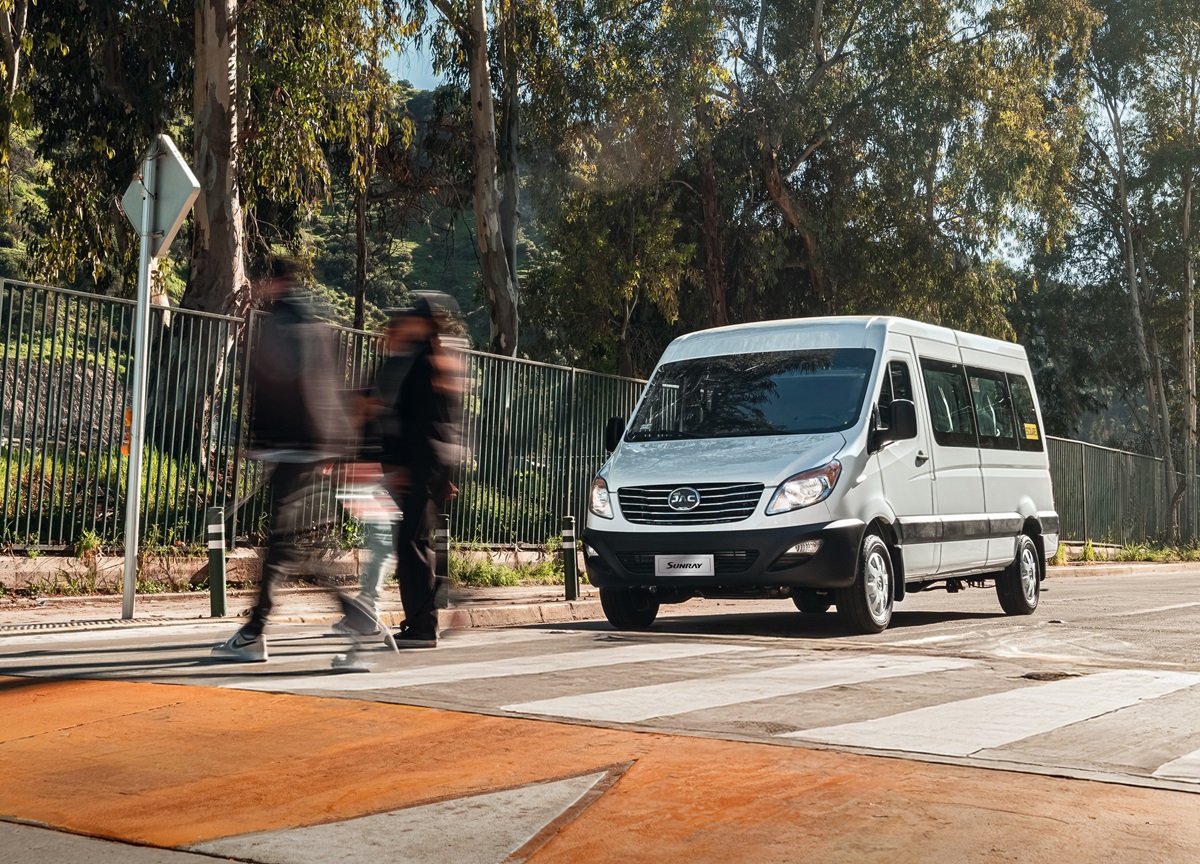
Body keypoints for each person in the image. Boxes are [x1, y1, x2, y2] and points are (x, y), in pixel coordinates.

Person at [212, 257, 382, 662]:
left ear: (272, 283)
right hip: (317, 448)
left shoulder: (277, 327)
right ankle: (260, 628)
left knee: (283, 544)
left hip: (291, 447)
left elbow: (270, 387)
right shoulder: (317, 328)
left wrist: (261, 441)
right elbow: (334, 389)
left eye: (261, 281)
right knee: (285, 544)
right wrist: (335, 447)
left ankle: (264, 630)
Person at [382, 294, 464, 648]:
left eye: (412, 318)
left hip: (421, 464)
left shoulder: (426, 361)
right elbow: (448, 423)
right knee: (416, 543)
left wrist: (407, 467)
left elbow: (424, 423)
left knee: (412, 544)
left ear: (424, 322)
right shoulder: (430, 358)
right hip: (428, 465)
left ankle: (423, 626)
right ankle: (422, 619)